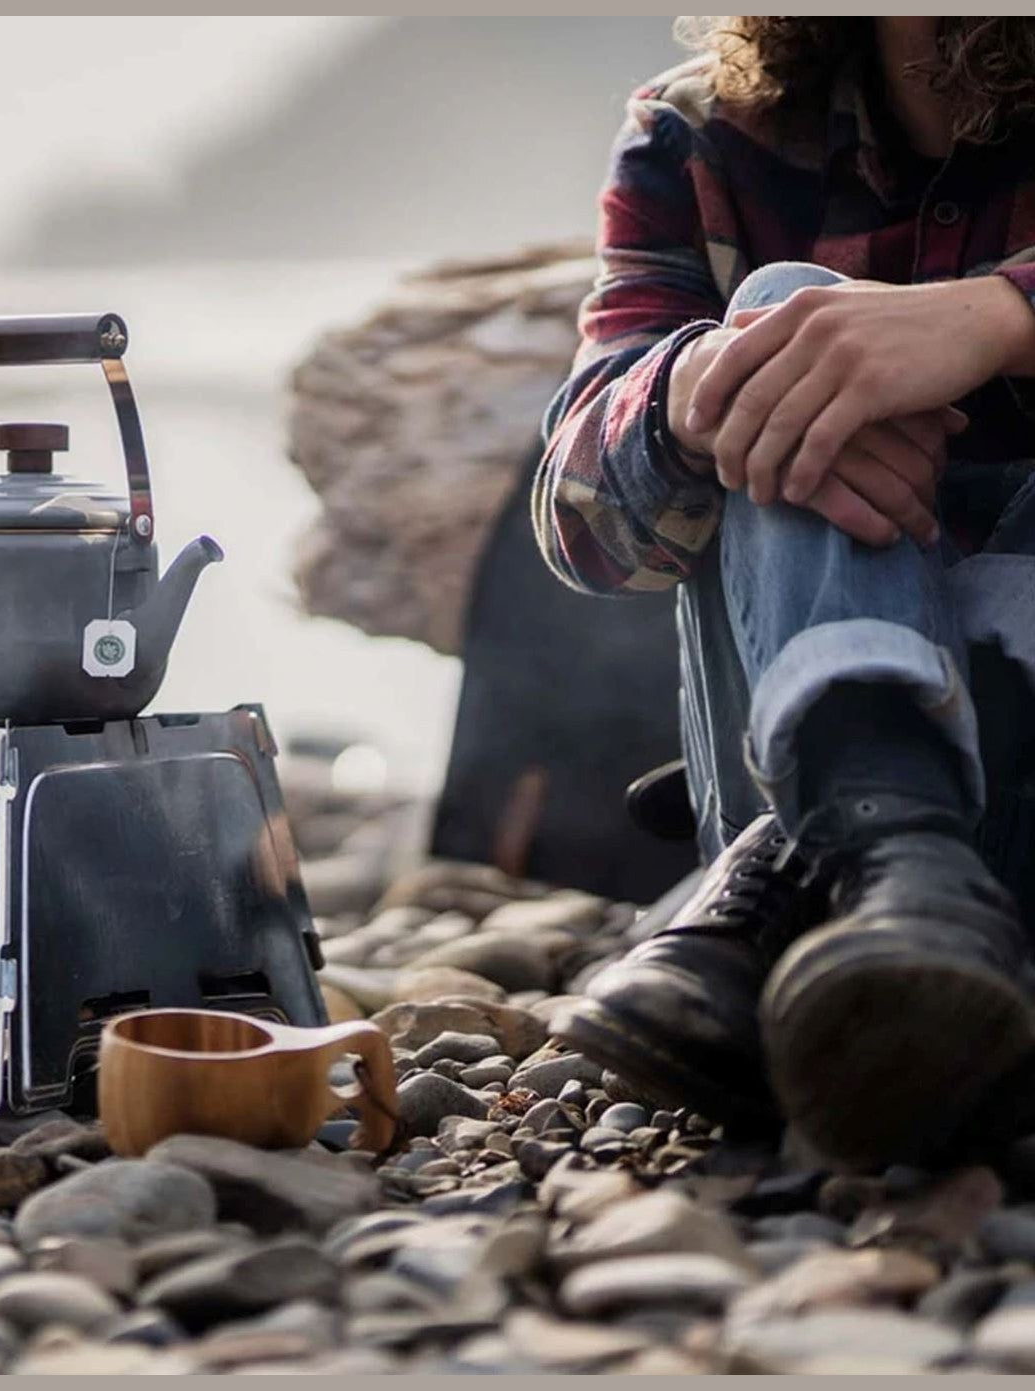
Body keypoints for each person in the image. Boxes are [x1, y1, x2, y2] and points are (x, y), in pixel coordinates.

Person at [533, 16, 1035, 1169]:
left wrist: (996, 319)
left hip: (824, 837)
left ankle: (797, 902)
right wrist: (695, 393)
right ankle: (895, 862)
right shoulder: (698, 135)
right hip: (795, 761)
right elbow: (579, 534)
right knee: (778, 318)